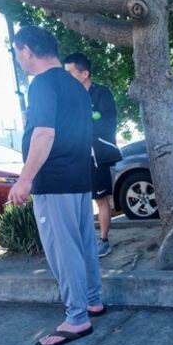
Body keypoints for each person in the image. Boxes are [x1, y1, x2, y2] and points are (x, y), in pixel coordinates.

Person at [8, 27, 106, 345]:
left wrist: (25, 179)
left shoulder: (42, 84)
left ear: (26, 51)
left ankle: (77, 318)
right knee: (84, 245)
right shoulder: (75, 86)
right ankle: (92, 301)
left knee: (64, 251)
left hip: (54, 181)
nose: (19, 58)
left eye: (17, 51)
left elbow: (44, 135)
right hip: (79, 178)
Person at [63, 52, 122, 258]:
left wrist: (84, 125)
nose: (67, 77)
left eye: (70, 72)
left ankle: (104, 240)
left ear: (85, 73)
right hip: (76, 158)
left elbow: (108, 124)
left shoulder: (102, 94)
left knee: (100, 200)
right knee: (79, 200)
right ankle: (85, 240)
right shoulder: (69, 97)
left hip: (97, 157)